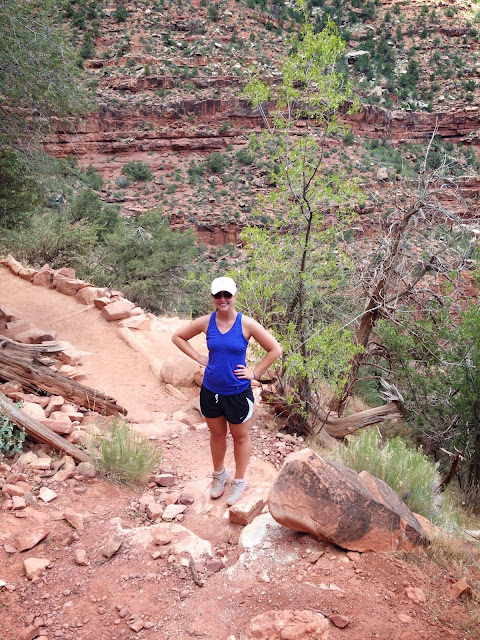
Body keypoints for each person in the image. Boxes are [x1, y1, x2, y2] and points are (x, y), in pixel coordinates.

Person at [172, 276, 282, 506]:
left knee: (240, 436)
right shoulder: (206, 322)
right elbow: (178, 337)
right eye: (218, 295)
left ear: (234, 296)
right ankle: (219, 475)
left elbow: (275, 349)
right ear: (213, 297)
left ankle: (240, 481)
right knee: (217, 434)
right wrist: (199, 357)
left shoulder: (247, 324)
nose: (222, 299)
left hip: (237, 392)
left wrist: (255, 373)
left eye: (227, 295)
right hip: (211, 390)